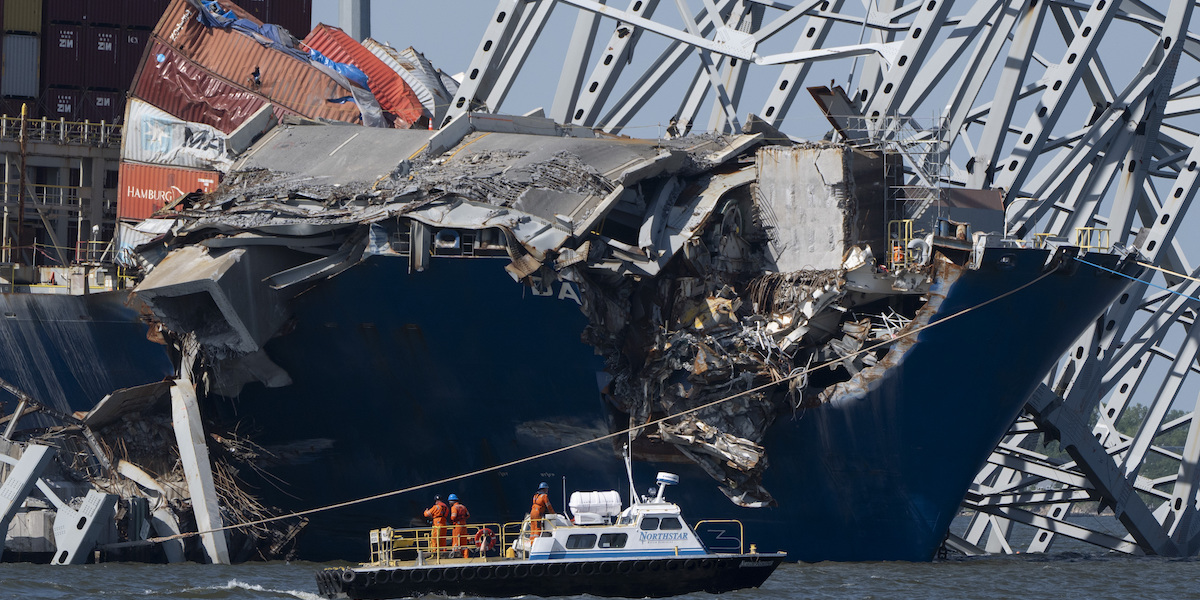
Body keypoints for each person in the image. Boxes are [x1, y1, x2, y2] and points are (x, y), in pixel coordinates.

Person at [449, 494, 471, 558]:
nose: (449, 503)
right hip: (464, 526)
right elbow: (468, 515)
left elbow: (453, 517)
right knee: (464, 543)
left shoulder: (454, 507)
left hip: (457, 527)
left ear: (452, 501)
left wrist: (452, 520)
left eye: (450, 502)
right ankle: (466, 556)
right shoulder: (463, 507)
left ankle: (456, 556)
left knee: (456, 541)